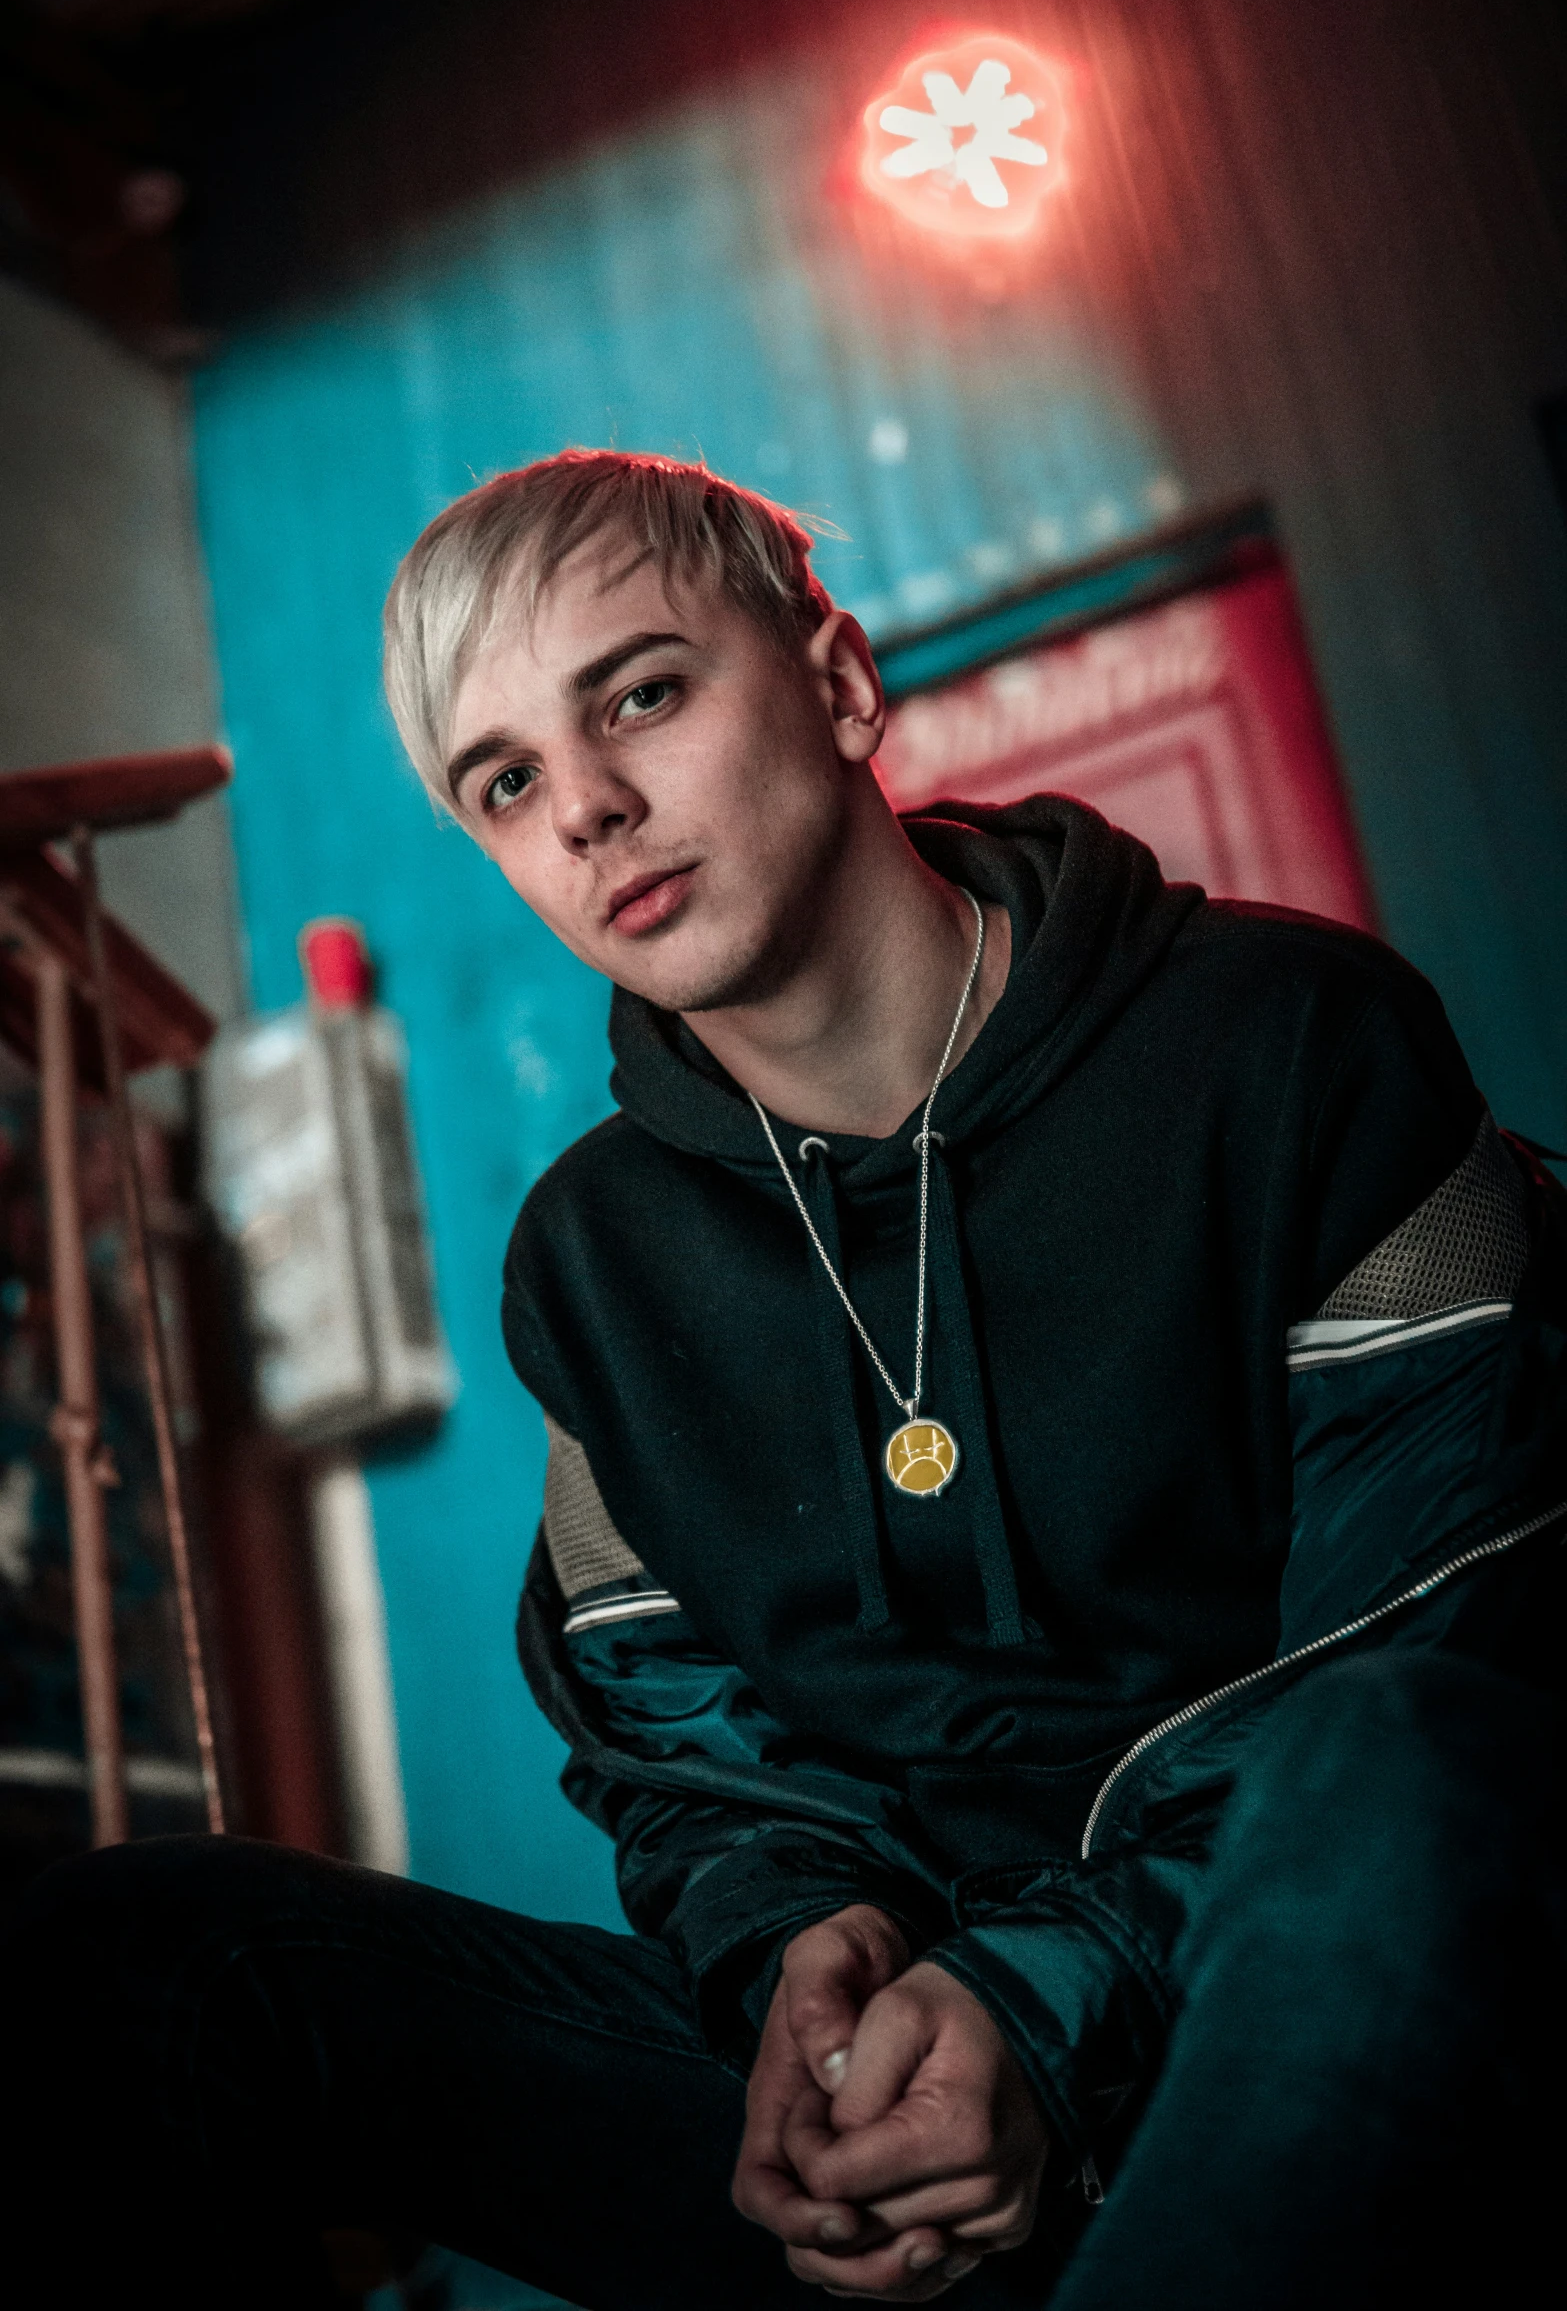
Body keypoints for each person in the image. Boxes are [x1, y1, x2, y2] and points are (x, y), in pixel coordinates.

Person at [3, 451, 1563, 2310]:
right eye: (502, 782)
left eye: (640, 692)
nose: (584, 807)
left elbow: (1446, 1626)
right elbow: (679, 1744)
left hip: (1296, 1992)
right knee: (153, 1960)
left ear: (833, 684)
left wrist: (1051, 2006)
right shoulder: (590, 1267)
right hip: (899, 2086)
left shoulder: (1295, 1039)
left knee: (1390, 1759)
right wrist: (801, 1961)